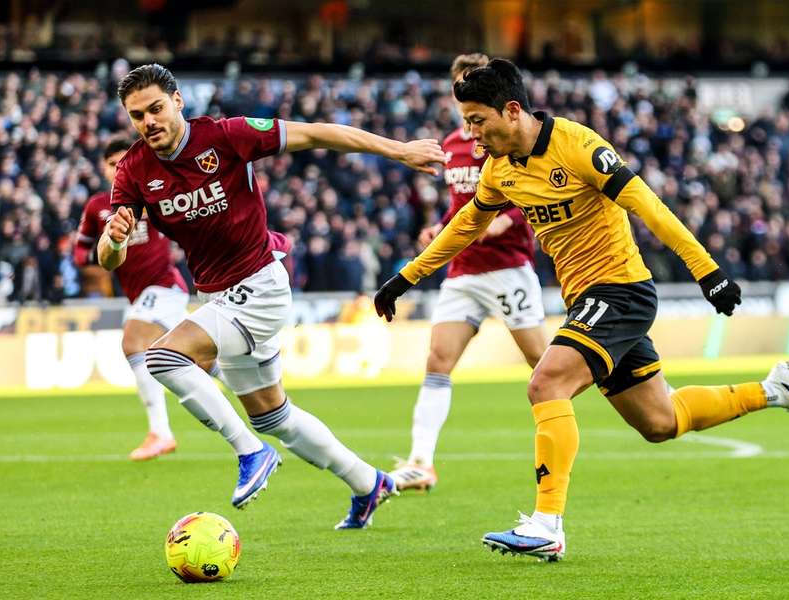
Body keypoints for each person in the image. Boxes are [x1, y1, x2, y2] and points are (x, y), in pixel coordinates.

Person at [374, 58, 789, 560]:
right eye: (466, 122)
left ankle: (547, 525)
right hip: (587, 299)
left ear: (511, 111)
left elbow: (647, 205)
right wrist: (406, 277)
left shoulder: (579, 147)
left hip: (620, 291)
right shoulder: (499, 171)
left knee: (546, 382)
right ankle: (777, 390)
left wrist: (708, 271)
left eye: (477, 121)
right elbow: (464, 227)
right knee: (661, 421)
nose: (471, 134)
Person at [100, 63, 446, 528]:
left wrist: (398, 150)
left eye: (156, 109)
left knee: (161, 358)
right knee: (273, 416)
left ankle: (250, 454)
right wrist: (115, 237)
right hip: (218, 298)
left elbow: (318, 133)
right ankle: (369, 483)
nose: (149, 123)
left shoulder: (226, 136)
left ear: (178, 101)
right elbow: (108, 259)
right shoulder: (134, 170)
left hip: (260, 285)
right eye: (137, 115)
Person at [389, 54, 547, 493]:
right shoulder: (453, 145)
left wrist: (506, 222)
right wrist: (439, 230)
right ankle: (422, 462)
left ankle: (591, 412)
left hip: (507, 267)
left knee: (545, 364)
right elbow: (460, 206)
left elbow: (526, 192)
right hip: (462, 270)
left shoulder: (505, 138)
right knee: (438, 360)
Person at [75, 137, 189, 461]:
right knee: (202, 360)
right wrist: (100, 253)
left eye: (124, 162)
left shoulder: (150, 195)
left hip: (165, 286)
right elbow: (79, 250)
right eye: (112, 163)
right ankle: (256, 392)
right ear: (103, 167)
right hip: (139, 296)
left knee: (133, 341)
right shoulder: (97, 207)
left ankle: (160, 433)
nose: (118, 168)